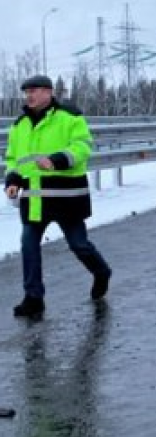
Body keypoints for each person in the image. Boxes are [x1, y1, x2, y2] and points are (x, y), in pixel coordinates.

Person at [4, 75, 111, 318]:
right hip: (34, 200)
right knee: (28, 246)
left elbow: (83, 147)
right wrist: (12, 181)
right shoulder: (19, 125)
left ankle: (101, 272)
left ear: (48, 92)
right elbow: (13, 159)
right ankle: (33, 298)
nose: (29, 95)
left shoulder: (70, 117)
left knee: (79, 245)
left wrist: (56, 160)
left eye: (34, 90)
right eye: (26, 91)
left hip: (66, 197)